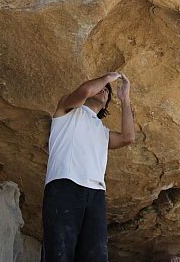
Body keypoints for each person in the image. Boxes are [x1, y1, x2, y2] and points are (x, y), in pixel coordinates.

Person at [41, 71, 135, 262]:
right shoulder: (66, 110)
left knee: (96, 255)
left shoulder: (103, 131)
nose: (104, 91)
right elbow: (84, 90)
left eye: (107, 92)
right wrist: (108, 78)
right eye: (101, 88)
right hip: (64, 184)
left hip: (96, 194)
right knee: (59, 251)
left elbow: (128, 137)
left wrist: (125, 99)